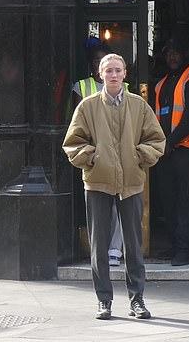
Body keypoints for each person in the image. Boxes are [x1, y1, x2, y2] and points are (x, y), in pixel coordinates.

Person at [63, 53, 165, 320]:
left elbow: (156, 139)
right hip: (97, 182)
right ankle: (104, 301)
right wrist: (93, 158)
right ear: (100, 74)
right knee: (99, 245)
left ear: (125, 74)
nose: (113, 75)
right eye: (108, 71)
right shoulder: (86, 106)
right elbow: (72, 142)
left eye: (118, 70)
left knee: (133, 244)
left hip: (131, 182)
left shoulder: (139, 106)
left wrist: (138, 156)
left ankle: (137, 300)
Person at [72, 42, 125, 266]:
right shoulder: (81, 87)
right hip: (94, 157)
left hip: (119, 156)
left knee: (119, 205)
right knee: (98, 206)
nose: (110, 73)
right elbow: (75, 128)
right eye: (99, 64)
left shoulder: (128, 91)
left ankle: (115, 249)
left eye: (116, 69)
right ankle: (99, 250)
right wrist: (89, 155)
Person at [153, 37, 189, 266]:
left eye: (176, 52)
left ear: (184, 54)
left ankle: (185, 249)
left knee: (184, 200)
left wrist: (169, 142)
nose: (172, 57)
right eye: (168, 52)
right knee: (168, 200)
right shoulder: (161, 84)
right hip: (166, 150)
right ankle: (175, 245)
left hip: (186, 149)